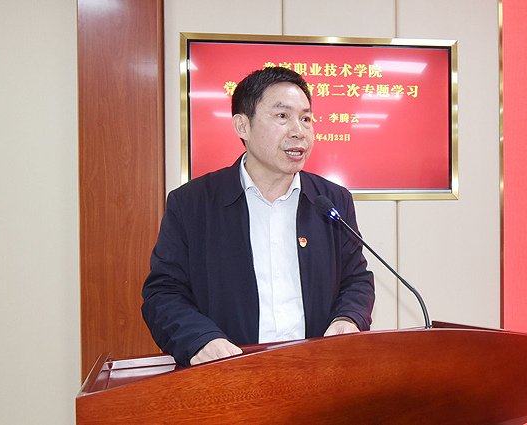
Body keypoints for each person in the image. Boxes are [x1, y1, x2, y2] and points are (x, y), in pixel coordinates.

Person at [142, 67, 374, 367]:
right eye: (282, 116)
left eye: (306, 119)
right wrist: (200, 339)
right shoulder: (192, 204)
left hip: (318, 371)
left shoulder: (332, 201)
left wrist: (348, 318)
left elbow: (356, 279)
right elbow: (163, 293)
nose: (299, 131)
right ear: (243, 126)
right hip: (229, 375)